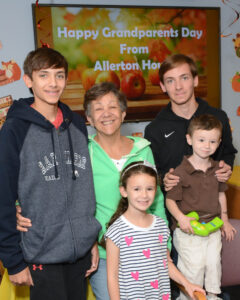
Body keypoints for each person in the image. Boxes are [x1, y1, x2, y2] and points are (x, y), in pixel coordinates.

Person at [16, 82, 170, 300]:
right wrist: (18, 207)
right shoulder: (81, 152)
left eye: (112, 107)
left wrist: (165, 245)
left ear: (124, 113)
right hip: (105, 252)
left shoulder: (143, 149)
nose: (106, 114)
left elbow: (157, 202)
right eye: (98, 109)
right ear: (88, 118)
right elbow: (49, 185)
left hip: (147, 250)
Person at [0, 47, 101, 300]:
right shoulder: (14, 130)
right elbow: (2, 195)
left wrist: (90, 241)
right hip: (40, 253)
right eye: (43, 75)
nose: (53, 83)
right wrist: (13, 260)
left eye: (59, 75)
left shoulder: (77, 125)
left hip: (78, 255)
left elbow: (83, 191)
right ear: (28, 81)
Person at [105, 161, 206, 300]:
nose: (144, 195)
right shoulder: (116, 231)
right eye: (137, 189)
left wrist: (187, 284)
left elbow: (166, 263)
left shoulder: (160, 225)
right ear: (123, 191)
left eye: (150, 188)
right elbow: (112, 276)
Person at [166, 114, 237, 300]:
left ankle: (213, 295)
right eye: (202, 140)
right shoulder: (180, 172)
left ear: (219, 142)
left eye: (212, 141)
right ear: (189, 139)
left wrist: (225, 220)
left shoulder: (217, 170)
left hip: (212, 227)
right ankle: (188, 296)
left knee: (214, 264)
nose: (207, 145)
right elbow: (169, 200)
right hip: (189, 230)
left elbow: (221, 194)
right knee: (194, 267)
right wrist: (181, 218)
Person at [144, 54, 237, 191]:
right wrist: (164, 178)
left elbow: (228, 153)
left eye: (184, 78)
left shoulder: (219, 117)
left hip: (212, 206)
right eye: (170, 81)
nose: (178, 87)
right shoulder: (154, 129)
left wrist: (227, 167)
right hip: (173, 208)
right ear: (163, 86)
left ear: (195, 80)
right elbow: (152, 172)